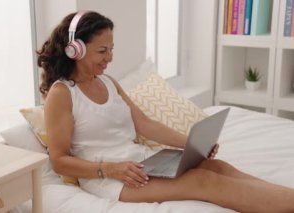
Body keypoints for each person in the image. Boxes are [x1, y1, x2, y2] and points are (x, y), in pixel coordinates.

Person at [37, 11, 294, 212]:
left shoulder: (107, 82)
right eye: (102, 51)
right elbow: (59, 161)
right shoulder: (62, 94)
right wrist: (111, 169)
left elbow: (145, 124)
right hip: (109, 179)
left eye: (111, 49)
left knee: (214, 166)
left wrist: (191, 144)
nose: (110, 58)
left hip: (140, 161)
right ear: (76, 50)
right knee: (204, 181)